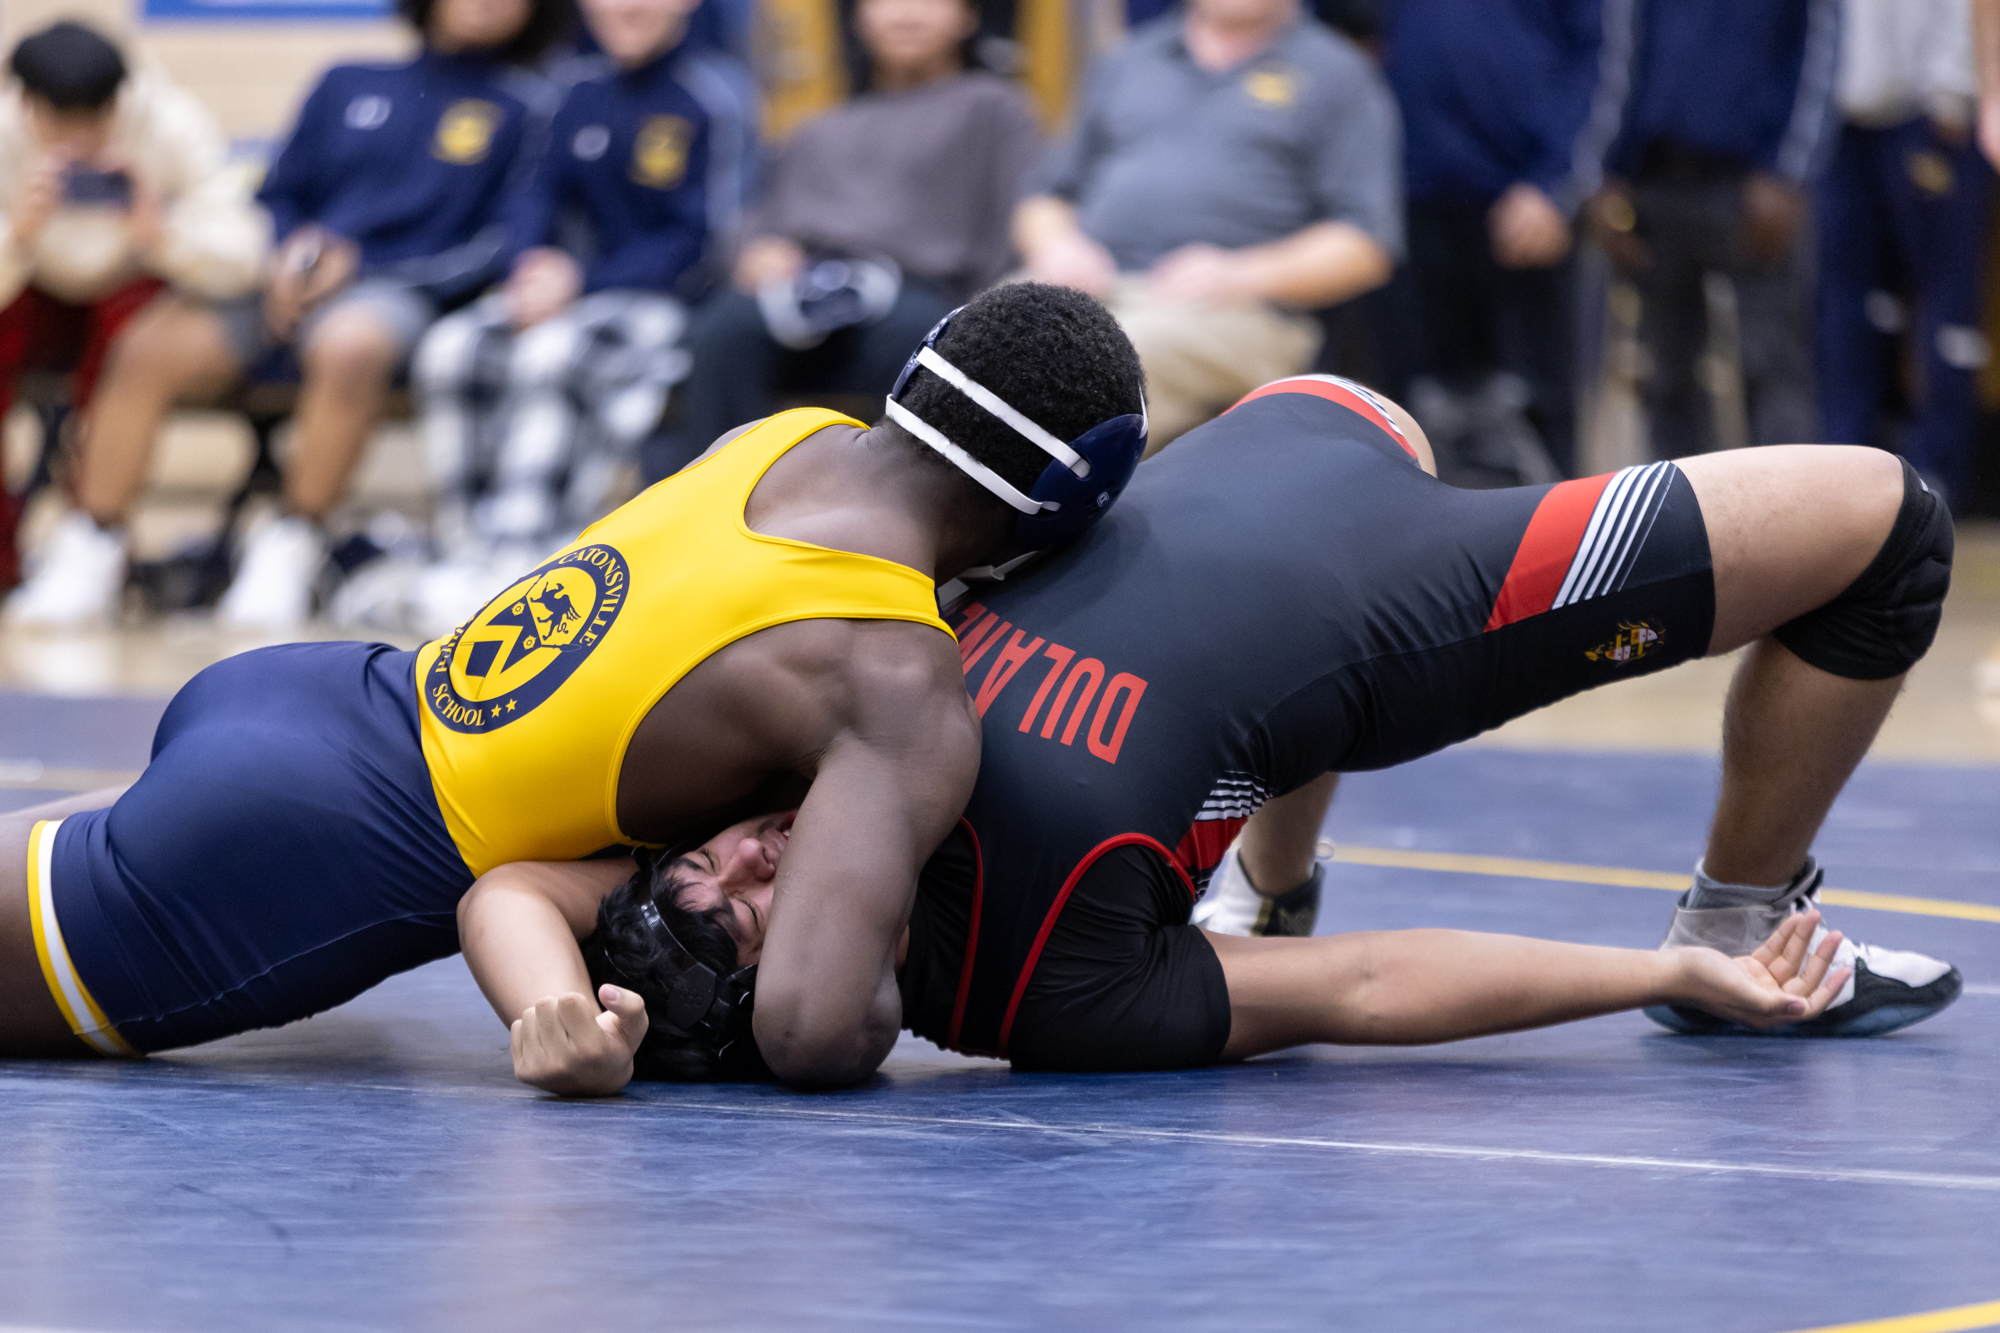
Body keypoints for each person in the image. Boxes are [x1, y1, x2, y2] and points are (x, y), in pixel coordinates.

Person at [547, 371, 1951, 1084]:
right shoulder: (1039, 989)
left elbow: (513, 875)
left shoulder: (785, 749)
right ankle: (1734, 917)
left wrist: (556, 1019)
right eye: (749, 916)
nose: (756, 853)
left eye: (710, 858)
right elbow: (1364, 989)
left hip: (1290, 429)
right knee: (1887, 527)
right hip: (1408, 599)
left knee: (1315, 496)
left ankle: (1270, 885)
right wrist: (1661, 974)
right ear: (804, 998)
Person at [0, 282, 1151, 1089]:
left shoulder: (786, 436)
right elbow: (813, 1024)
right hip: (322, 842)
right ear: (1067, 503)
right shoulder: (894, 676)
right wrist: (956, 980)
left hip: (331, 692)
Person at [6, 0, 567, 632]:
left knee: (350, 344)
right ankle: (92, 543)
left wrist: (361, 268)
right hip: (285, 281)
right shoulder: (346, 80)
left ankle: (291, 544)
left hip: (402, 293)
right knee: (148, 344)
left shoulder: (539, 105)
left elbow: (505, 240)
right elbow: (278, 193)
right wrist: (285, 253)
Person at [392, 0, 756, 637]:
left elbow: (704, 240)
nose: (628, 7)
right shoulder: (573, 89)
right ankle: (468, 550)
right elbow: (533, 195)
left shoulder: (715, 96)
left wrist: (581, 283)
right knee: (454, 346)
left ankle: (529, 557)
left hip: (670, 305)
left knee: (554, 354)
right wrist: (531, 268)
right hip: (568, 296)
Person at [653, 0, 1042, 479]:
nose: (905, 14)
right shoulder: (820, 125)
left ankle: (898, 506)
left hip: (918, 293)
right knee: (721, 332)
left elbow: (1016, 218)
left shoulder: (993, 108)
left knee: (920, 341)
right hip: (806, 284)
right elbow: (761, 218)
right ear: (858, 19)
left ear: (968, 16)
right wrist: (759, 251)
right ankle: (714, 497)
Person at [1013, 0, 1400, 450]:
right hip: (1094, 284)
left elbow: (1365, 245)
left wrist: (1241, 274)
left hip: (1241, 312)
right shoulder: (1128, 58)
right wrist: (1059, 246)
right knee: (982, 335)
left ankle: (1033, 491)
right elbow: (1045, 197)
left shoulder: (1339, 73)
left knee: (1103, 361)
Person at [0, 21, 265, 600]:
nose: (79, 141)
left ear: (120, 100)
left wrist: (160, 233)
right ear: (24, 103)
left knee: (137, 346)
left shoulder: (174, 123)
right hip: (27, 291)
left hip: (130, 292)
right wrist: (16, 235)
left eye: (94, 120)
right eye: (60, 121)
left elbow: (246, 257)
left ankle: (91, 547)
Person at [1377, 0, 1615, 483]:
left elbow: (1602, 56)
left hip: (1524, 207)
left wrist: (1554, 186)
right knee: (1411, 423)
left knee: (1535, 427)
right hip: (1408, 202)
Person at [1590, 0, 1837, 458]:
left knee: (1771, 370)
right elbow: (1617, 48)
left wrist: (1790, 171)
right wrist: (1608, 171)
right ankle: (1681, 505)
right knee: (1666, 378)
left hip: (1751, 184)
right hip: (1656, 177)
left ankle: (1788, 505)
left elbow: (1822, 49)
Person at [1816, 0, 1991, 507]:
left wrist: (1954, 86)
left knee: (1945, 308)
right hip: (1843, 116)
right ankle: (1848, 467)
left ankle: (1936, 476)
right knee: (1853, 309)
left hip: (1930, 110)